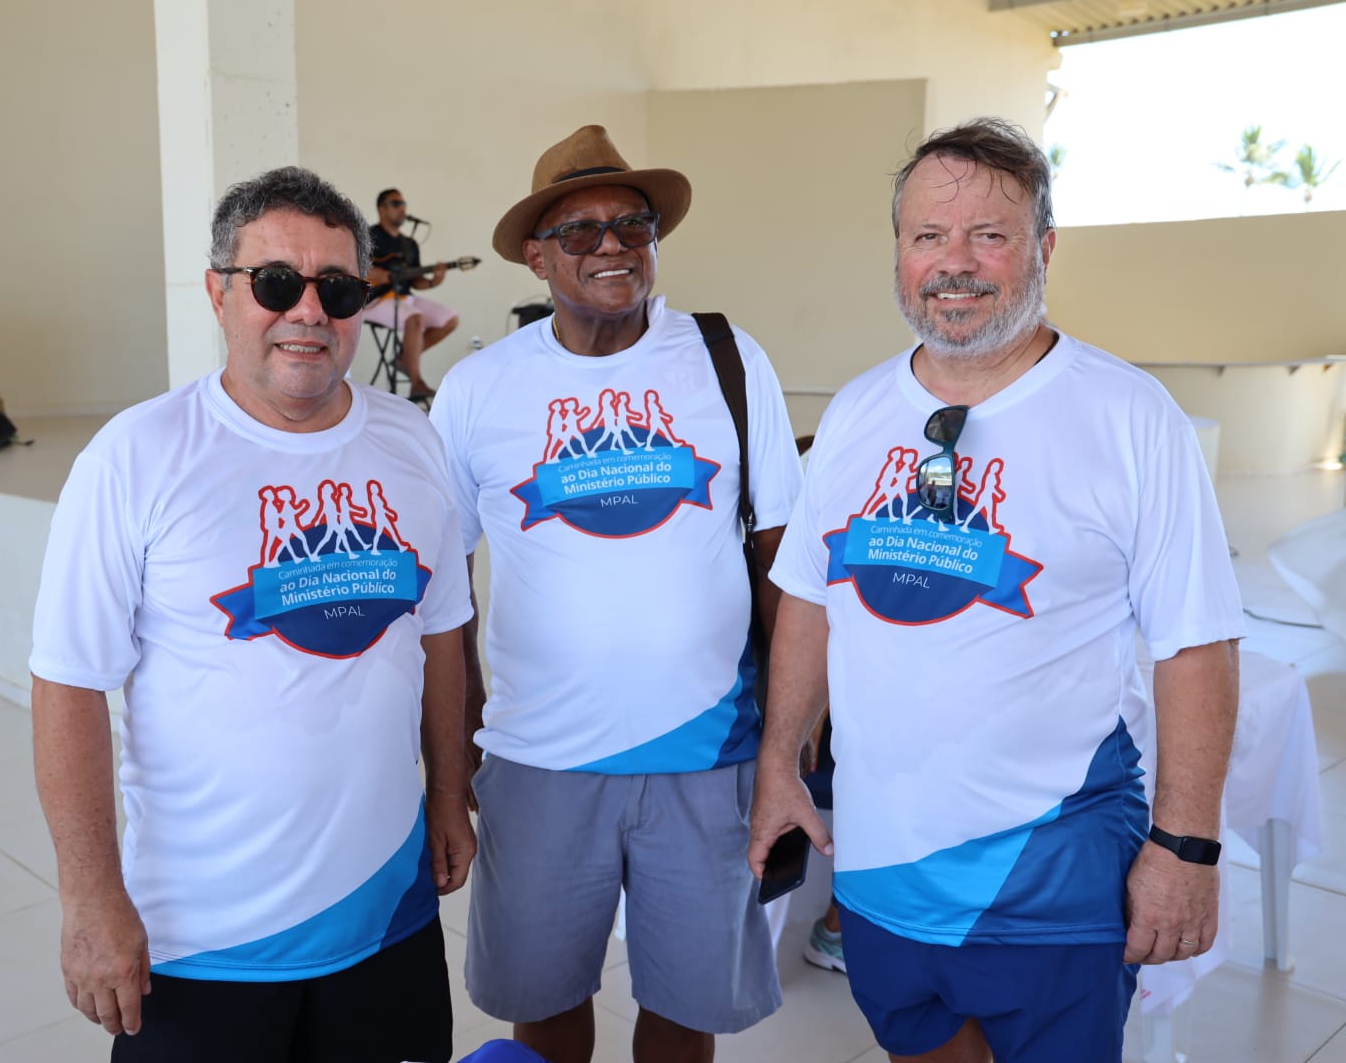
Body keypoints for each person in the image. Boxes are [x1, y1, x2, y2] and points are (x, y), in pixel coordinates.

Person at [748, 118, 1245, 1063]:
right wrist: (781, 762)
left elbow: (1197, 643)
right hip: (883, 866)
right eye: (928, 236)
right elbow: (809, 599)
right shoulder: (856, 411)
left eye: (990, 236)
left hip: (1054, 868)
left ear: (1044, 248)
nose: (955, 264)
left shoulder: (1130, 417)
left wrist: (1186, 849)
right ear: (899, 252)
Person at [29, 166, 475, 1063]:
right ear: (218, 294)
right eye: (275, 283)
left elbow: (441, 639)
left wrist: (449, 796)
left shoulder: (413, 442)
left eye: (337, 289)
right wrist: (89, 898)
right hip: (202, 940)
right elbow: (68, 687)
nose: (308, 311)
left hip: (386, 914)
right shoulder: (135, 457)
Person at [429, 125, 802, 1063]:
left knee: (686, 1007)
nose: (611, 246)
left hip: (710, 750)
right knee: (546, 1001)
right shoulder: (478, 390)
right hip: (539, 758)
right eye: (580, 230)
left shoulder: (726, 357)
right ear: (535, 254)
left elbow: (781, 560)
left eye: (632, 224)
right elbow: (444, 593)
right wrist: (456, 753)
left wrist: (789, 743)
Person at [363, 187, 459, 399]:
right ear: (381, 209)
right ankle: (417, 382)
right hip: (375, 300)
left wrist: (433, 281)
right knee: (415, 318)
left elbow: (416, 281)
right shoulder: (369, 237)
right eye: (395, 204)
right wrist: (380, 274)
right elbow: (357, 268)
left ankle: (404, 359)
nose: (402, 208)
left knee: (450, 319)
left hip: (405, 297)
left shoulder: (410, 244)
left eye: (403, 204)